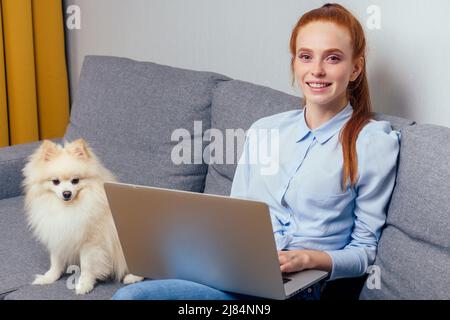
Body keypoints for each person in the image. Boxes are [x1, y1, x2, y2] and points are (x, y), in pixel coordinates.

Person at [112, 3, 400, 300]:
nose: (317, 70)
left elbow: (364, 252)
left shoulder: (373, 142)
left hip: (302, 287)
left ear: (355, 68)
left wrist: (308, 259)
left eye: (333, 58)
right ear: (295, 64)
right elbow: (235, 216)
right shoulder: (264, 129)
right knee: (133, 297)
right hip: (238, 273)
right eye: (306, 56)